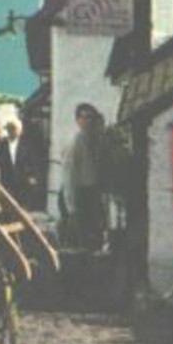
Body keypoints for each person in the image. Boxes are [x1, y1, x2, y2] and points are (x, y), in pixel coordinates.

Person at [63, 103, 107, 250]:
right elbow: (69, 175)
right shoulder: (75, 142)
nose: (88, 121)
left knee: (96, 237)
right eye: (84, 117)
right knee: (83, 241)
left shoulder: (94, 140)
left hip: (93, 193)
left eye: (90, 118)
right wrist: (71, 208)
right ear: (78, 120)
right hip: (80, 195)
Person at [0, 119, 27, 202]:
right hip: (6, 179)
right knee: (7, 202)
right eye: (13, 129)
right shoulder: (2, 143)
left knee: (20, 203)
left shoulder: (24, 144)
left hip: (21, 180)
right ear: (9, 130)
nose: (17, 131)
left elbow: (29, 160)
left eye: (18, 129)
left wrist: (31, 175)